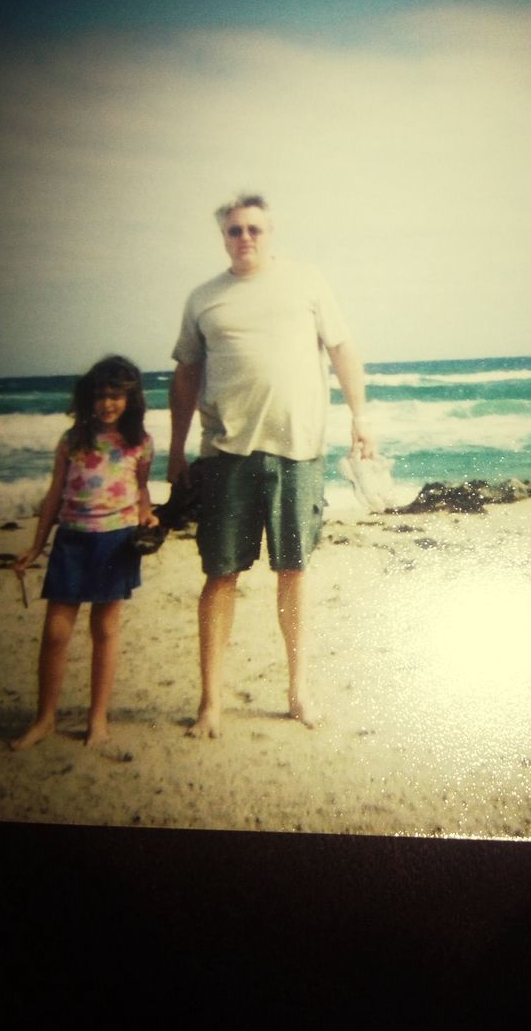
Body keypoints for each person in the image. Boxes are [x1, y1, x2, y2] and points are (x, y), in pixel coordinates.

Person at [169, 194, 375, 735]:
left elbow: (342, 350)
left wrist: (361, 416)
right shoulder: (203, 299)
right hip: (226, 453)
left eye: (254, 229)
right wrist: (174, 448)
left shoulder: (307, 282)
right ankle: (210, 703)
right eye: (235, 231)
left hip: (299, 450)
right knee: (220, 575)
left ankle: (298, 692)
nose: (245, 239)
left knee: (294, 571)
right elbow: (186, 374)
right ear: (223, 236)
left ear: (270, 231)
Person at [10, 356, 158, 750]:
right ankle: (45, 718)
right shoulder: (71, 440)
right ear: (87, 398)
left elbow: (141, 490)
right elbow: (54, 494)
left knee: (105, 630)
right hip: (72, 540)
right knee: (56, 632)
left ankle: (98, 720)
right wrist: (36, 546)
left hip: (117, 541)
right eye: (99, 396)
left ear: (131, 399)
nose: (106, 403)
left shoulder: (140, 443)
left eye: (115, 396)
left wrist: (146, 513)